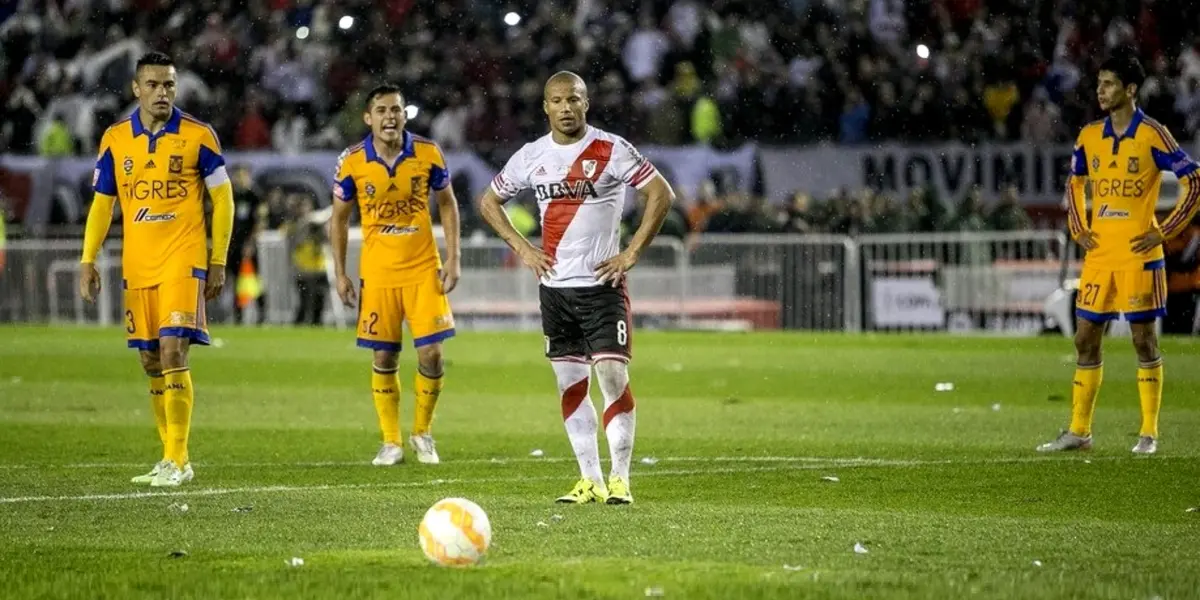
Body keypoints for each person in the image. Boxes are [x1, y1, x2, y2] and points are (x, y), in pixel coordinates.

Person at [477, 71, 676, 504]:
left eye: (574, 99)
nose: (566, 107)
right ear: (545, 107)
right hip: (554, 290)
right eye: (557, 100)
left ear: (587, 103)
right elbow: (488, 201)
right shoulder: (531, 156)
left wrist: (632, 253)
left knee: (611, 375)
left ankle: (621, 478)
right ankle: (591, 480)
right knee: (570, 385)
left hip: (602, 286)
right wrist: (524, 249)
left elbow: (661, 194)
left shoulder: (612, 149)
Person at [78, 51, 234, 486]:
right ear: (136, 89)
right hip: (138, 265)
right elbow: (102, 206)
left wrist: (217, 258)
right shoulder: (115, 139)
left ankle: (177, 460)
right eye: (153, 84)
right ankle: (172, 458)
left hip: (184, 260)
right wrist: (87, 259)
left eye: (168, 84)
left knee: (172, 352)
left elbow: (223, 198)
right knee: (150, 361)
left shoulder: (199, 135)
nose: (162, 92)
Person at [1038, 50, 1200, 455]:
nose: (1100, 90)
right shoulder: (1089, 135)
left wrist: (1164, 230)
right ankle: (1080, 431)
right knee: (1085, 339)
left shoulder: (1153, 135)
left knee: (1143, 341)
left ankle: (1148, 433)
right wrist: (1078, 226)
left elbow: (1193, 181)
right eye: (1099, 83)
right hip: (1100, 257)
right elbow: (1075, 182)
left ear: (1130, 89)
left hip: (1138, 255)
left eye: (1108, 84)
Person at [330, 84, 462, 466]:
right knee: (384, 357)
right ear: (368, 118)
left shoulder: (427, 153)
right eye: (382, 110)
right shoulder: (352, 161)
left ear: (406, 115)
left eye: (397, 110)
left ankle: (423, 433)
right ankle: (391, 441)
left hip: (423, 268)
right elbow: (339, 219)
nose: (391, 117)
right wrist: (341, 273)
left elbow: (448, 204)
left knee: (432, 354)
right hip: (378, 273)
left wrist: (454, 258)